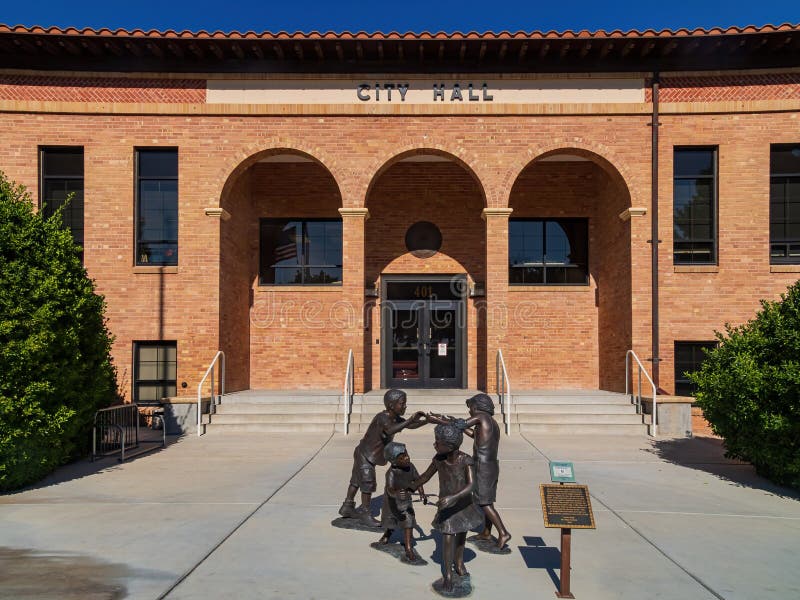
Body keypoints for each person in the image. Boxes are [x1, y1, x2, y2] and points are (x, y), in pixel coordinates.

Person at [428, 393, 511, 549]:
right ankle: (487, 532)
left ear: (476, 406)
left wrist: (438, 420)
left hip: (482, 466)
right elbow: (473, 434)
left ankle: (503, 533)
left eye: (470, 408)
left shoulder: (481, 417)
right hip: (492, 465)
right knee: (487, 499)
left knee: (484, 502)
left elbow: (459, 426)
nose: (470, 412)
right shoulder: (491, 422)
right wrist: (451, 420)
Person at [338, 388, 426, 527]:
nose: (405, 406)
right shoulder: (382, 417)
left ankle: (347, 507)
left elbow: (411, 425)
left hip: (367, 453)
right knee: (367, 482)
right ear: (391, 405)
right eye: (402, 404)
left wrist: (427, 420)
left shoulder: (395, 417)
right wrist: (409, 420)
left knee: (356, 480)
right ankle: (365, 513)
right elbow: (390, 430)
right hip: (365, 454)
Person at [413, 424, 484, 593]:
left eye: (438, 442)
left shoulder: (466, 460)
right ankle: (448, 575)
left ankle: (458, 563)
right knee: (447, 537)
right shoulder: (438, 459)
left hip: (462, 504)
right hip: (447, 508)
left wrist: (453, 497)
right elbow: (424, 476)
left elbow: (472, 485)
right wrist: (410, 486)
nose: (435, 445)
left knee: (461, 534)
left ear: (450, 446)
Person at [377, 441, 427, 561]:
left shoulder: (411, 467)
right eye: (402, 457)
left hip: (405, 501)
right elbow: (389, 489)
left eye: (406, 454)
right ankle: (388, 534)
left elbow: (418, 480)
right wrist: (396, 493)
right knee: (391, 522)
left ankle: (408, 547)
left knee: (408, 522)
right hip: (392, 502)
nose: (407, 457)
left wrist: (422, 493)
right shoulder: (391, 473)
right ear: (394, 462)